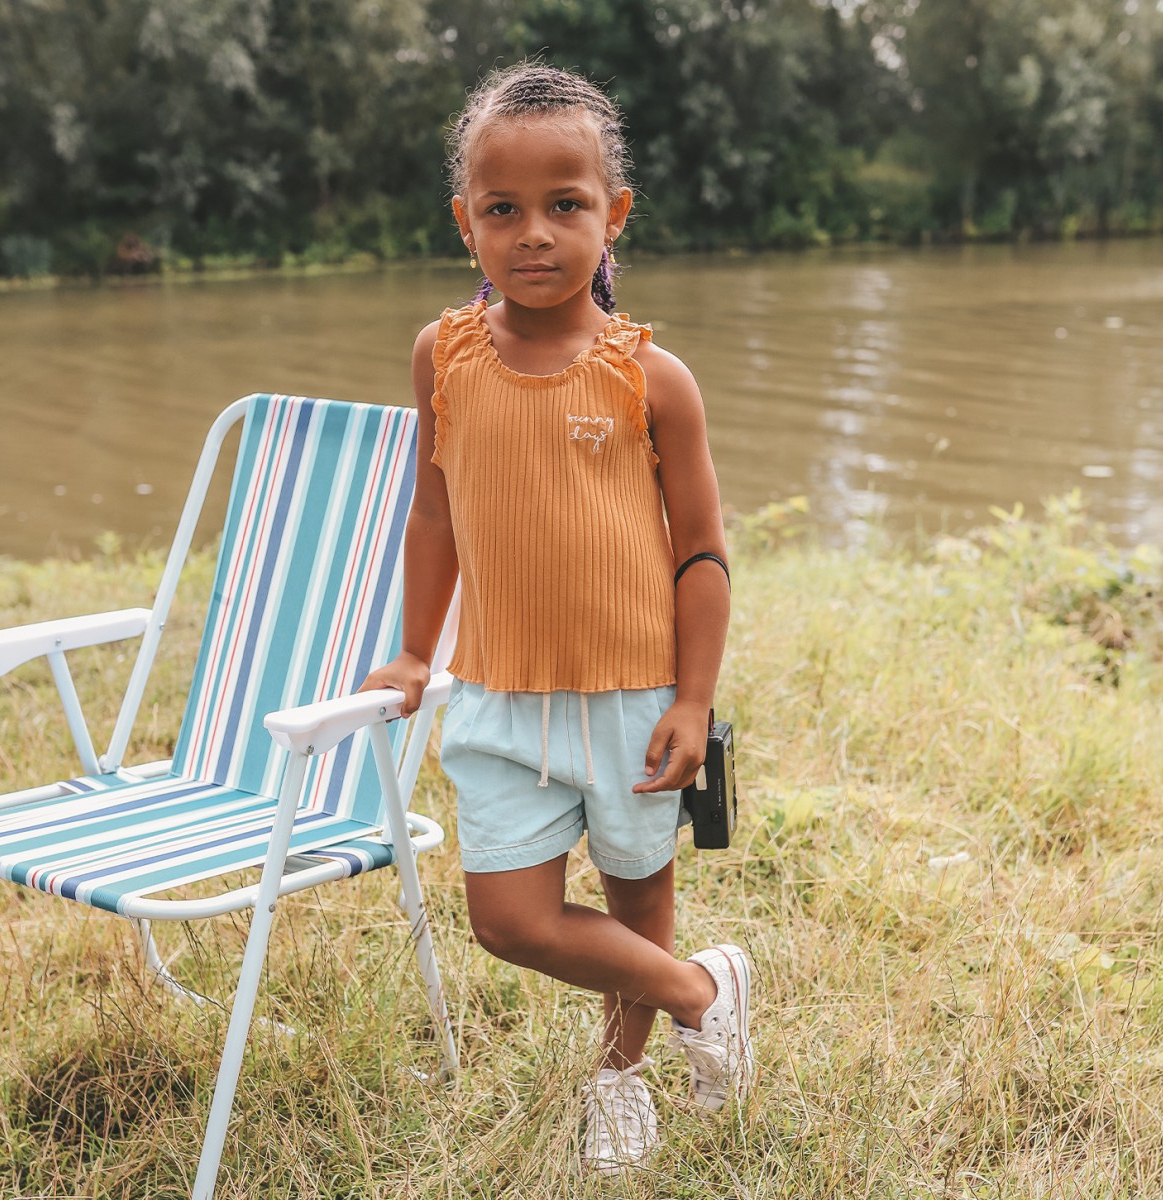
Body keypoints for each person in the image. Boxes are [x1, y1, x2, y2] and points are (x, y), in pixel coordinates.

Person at [360, 61, 752, 1174]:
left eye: (565, 204)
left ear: (612, 214)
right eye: (504, 209)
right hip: (497, 696)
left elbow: (702, 551)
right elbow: (433, 514)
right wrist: (414, 651)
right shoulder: (444, 356)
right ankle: (701, 991)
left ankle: (620, 1079)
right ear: (466, 224)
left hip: (632, 696)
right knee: (507, 920)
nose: (534, 233)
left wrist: (692, 700)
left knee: (637, 898)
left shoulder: (652, 378)